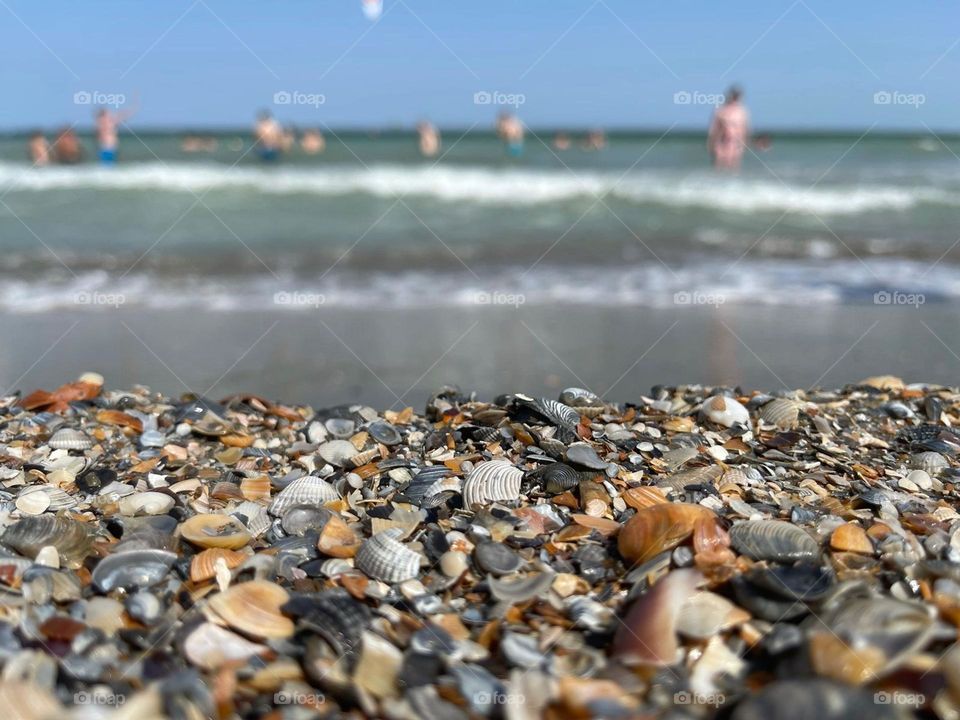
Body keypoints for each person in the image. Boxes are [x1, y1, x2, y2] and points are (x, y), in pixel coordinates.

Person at [707, 86, 749, 171]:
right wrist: (711, 143)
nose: (735, 98)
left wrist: (743, 145)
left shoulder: (742, 112)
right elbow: (713, 129)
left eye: (737, 96)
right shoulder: (721, 110)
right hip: (721, 143)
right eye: (734, 95)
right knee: (718, 166)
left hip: (735, 144)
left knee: (734, 167)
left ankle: (733, 183)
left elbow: (745, 129)